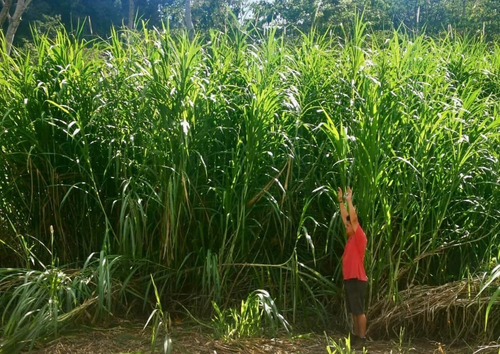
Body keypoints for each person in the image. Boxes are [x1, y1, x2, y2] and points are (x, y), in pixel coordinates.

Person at [338, 186, 367, 346]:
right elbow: (346, 218)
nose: (346, 227)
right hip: (349, 278)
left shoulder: (359, 238)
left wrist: (349, 201)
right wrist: (340, 201)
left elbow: (352, 220)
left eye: (349, 226)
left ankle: (362, 338)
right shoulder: (350, 240)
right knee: (354, 311)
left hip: (357, 278)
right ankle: (356, 336)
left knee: (359, 310)